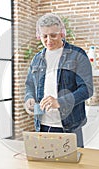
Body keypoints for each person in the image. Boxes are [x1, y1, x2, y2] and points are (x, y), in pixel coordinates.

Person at [24, 13, 93, 147]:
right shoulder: (37, 59)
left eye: (53, 35)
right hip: (42, 125)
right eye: (44, 36)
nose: (49, 40)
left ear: (62, 33)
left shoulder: (77, 55)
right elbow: (30, 85)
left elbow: (87, 89)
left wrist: (60, 102)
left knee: (72, 165)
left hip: (70, 125)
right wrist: (29, 98)